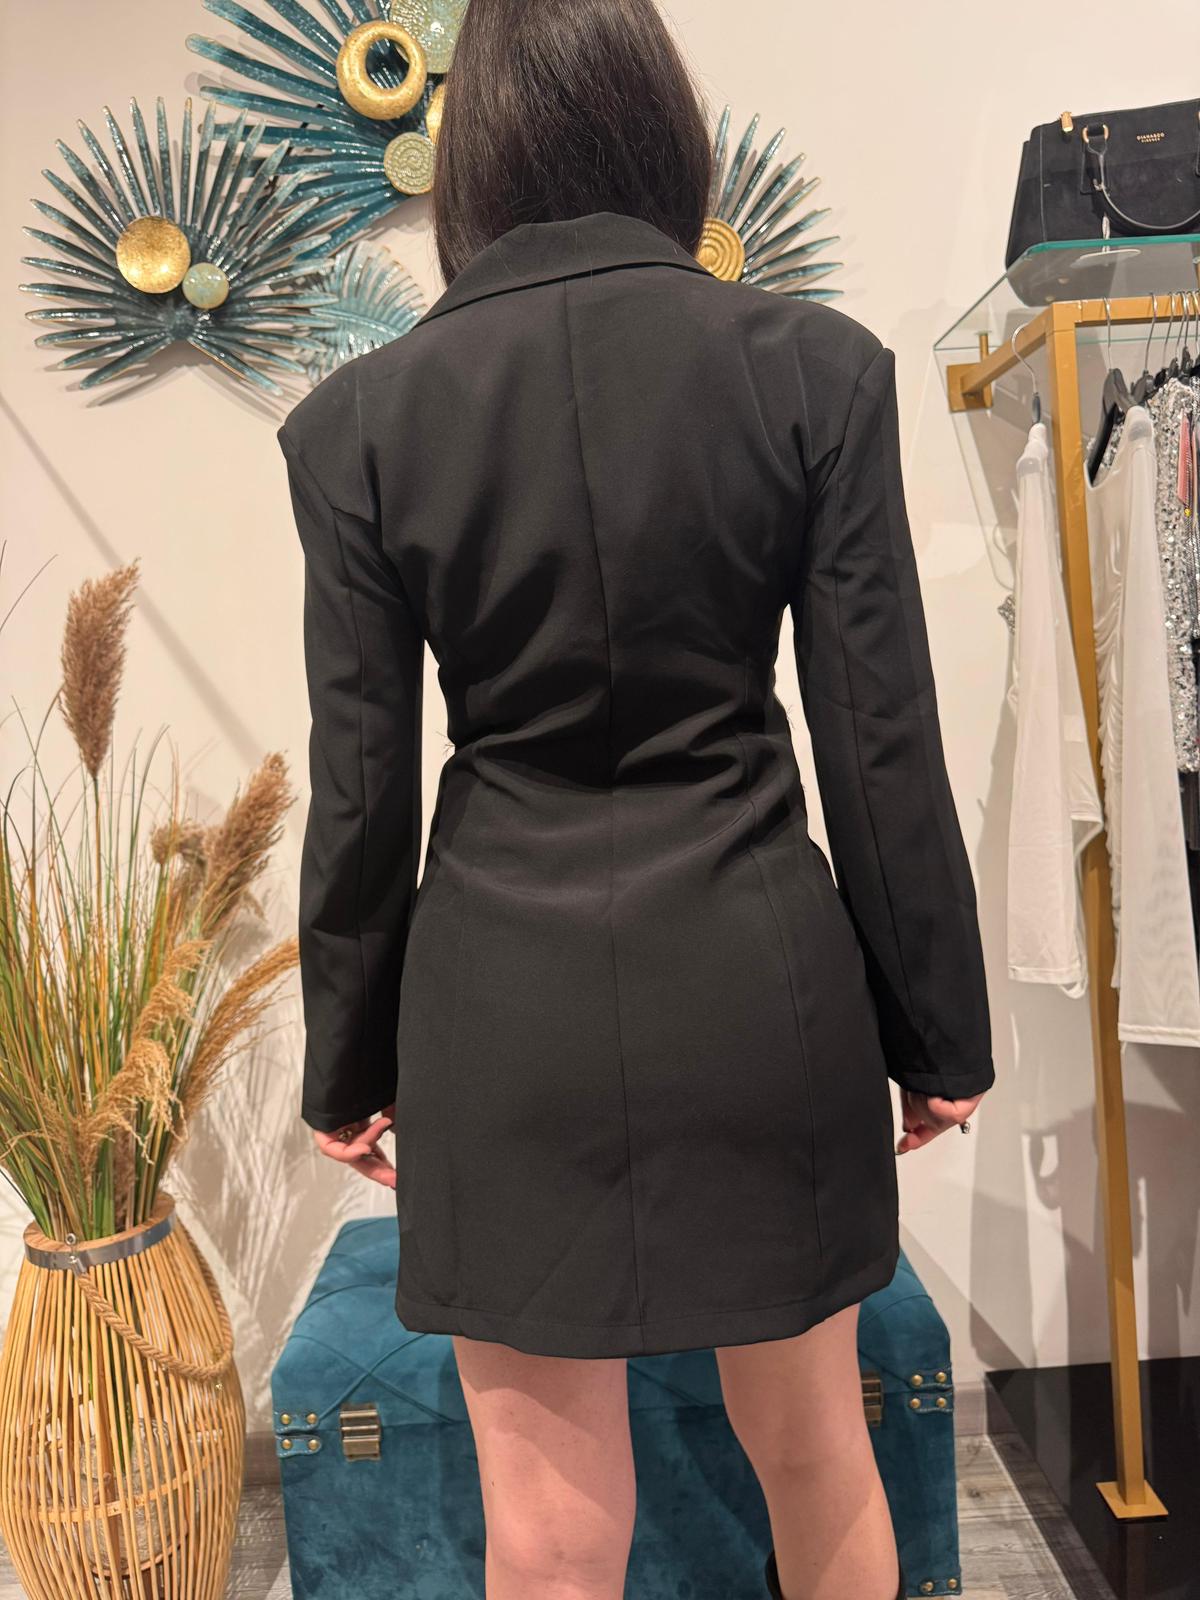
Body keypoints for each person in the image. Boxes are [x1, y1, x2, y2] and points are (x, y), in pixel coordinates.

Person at [276, 1, 994, 1596]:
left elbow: (361, 784)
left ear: (473, 160)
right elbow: (880, 740)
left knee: (546, 1531)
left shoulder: (358, 426)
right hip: (760, 995)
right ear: (668, 132)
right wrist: (938, 1031)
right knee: (817, 1456)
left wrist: (349, 1061)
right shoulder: (813, 371)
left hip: (500, 1022)